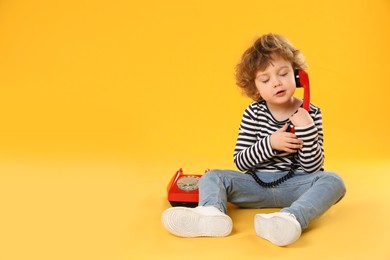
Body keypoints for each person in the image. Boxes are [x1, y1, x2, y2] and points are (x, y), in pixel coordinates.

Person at [161, 33, 346, 246]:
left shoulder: (311, 112)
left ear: (298, 76)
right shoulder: (253, 113)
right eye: (265, 79)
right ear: (255, 87)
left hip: (296, 186)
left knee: (333, 181)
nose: (276, 83)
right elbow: (241, 161)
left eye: (283, 74)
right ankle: (211, 213)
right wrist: (270, 144)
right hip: (256, 186)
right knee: (212, 176)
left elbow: (313, 167)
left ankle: (290, 218)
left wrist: (306, 128)